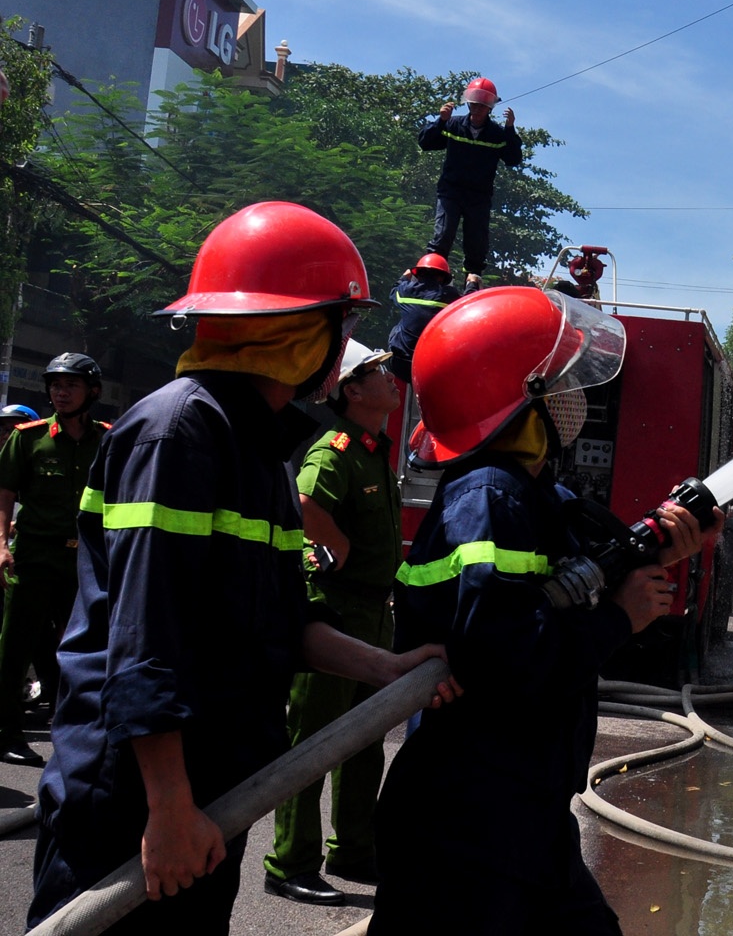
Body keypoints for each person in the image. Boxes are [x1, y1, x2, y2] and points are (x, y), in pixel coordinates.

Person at [26, 202, 459, 932]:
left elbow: (284, 617)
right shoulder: (179, 433)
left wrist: (387, 669)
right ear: (292, 331)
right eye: (340, 323)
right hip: (135, 799)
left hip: (208, 793)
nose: (345, 344)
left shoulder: (255, 445)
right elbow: (145, 639)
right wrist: (166, 808)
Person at [370, 285, 715, 936]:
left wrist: (669, 538)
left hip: (520, 815)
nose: (575, 396)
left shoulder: (530, 492)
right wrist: (619, 618)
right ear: (518, 398)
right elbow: (503, 655)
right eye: (557, 380)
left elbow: (595, 560)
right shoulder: (489, 495)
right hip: (469, 824)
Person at [263, 341, 404, 906]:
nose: (392, 379)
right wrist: (336, 544)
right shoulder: (336, 450)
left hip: (373, 610)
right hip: (338, 610)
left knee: (365, 738)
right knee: (313, 741)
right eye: (378, 373)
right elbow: (304, 502)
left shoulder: (373, 450)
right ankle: (289, 862)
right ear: (352, 390)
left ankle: (353, 849)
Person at [0, 354, 109, 767]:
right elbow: (5, 493)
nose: (60, 393)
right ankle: (5, 733)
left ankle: (75, 735)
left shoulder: (106, 439)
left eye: (70, 386)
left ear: (91, 392)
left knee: (81, 649)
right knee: (14, 647)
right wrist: (1, 546)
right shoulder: (29, 438)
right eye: (55, 386)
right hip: (33, 557)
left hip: (84, 562)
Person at [417, 77, 523, 290]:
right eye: (474, 102)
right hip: (451, 193)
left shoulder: (497, 134)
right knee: (442, 235)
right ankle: (430, 279)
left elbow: (513, 159)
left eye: (482, 104)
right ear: (468, 103)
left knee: (476, 243)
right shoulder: (453, 125)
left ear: (490, 107)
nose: (477, 108)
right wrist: (441, 121)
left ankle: (472, 284)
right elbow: (426, 143)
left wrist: (510, 129)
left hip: (479, 197)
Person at [387, 253, 459, 383]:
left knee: (397, 328)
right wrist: (473, 283)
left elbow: (393, 291)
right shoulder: (450, 296)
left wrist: (405, 276)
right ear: (442, 278)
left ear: (418, 274)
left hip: (400, 366)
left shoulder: (405, 291)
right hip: (431, 368)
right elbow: (469, 304)